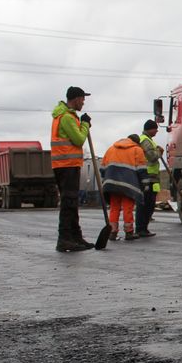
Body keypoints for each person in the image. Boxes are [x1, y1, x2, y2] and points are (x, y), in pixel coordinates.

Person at [51, 86, 93, 252]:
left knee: (72, 202)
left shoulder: (66, 116)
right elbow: (78, 139)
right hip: (66, 166)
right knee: (69, 203)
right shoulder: (67, 117)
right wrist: (85, 125)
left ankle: (75, 237)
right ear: (76, 99)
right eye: (83, 99)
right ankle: (65, 239)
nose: (83, 102)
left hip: (67, 165)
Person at [99, 134, 147, 241]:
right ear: (136, 142)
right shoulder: (137, 150)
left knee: (114, 208)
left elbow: (102, 168)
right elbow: (142, 170)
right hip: (128, 185)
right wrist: (145, 184)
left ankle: (112, 232)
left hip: (111, 183)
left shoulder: (111, 149)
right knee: (127, 207)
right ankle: (129, 232)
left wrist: (105, 180)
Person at [136, 119, 163, 238]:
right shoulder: (145, 141)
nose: (157, 131)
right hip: (147, 177)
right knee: (145, 204)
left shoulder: (148, 140)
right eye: (155, 128)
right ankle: (141, 228)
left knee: (149, 204)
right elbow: (152, 157)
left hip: (151, 178)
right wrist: (159, 152)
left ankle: (143, 228)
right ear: (149, 129)